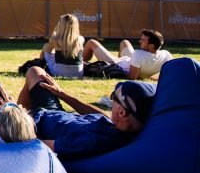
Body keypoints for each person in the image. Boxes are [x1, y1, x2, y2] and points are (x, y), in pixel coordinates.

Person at [18, 68, 156, 160]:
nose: (112, 101)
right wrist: (62, 94)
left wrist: (16, 114)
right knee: (35, 71)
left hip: (34, 123)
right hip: (55, 113)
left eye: (114, 97)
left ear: (122, 112)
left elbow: (39, 145)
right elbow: (104, 116)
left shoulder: (92, 140)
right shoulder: (121, 126)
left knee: (3, 90)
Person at [83, 29, 170, 80]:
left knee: (91, 42)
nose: (139, 41)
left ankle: (79, 64)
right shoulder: (166, 55)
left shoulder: (138, 54)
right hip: (130, 61)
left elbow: (132, 77)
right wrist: (148, 76)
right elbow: (166, 76)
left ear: (151, 46)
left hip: (116, 64)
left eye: (143, 40)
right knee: (125, 42)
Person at [40, 14, 85, 79]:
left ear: (61, 25)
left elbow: (48, 51)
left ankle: (40, 63)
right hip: (78, 73)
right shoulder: (80, 39)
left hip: (58, 72)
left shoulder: (55, 39)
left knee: (46, 46)